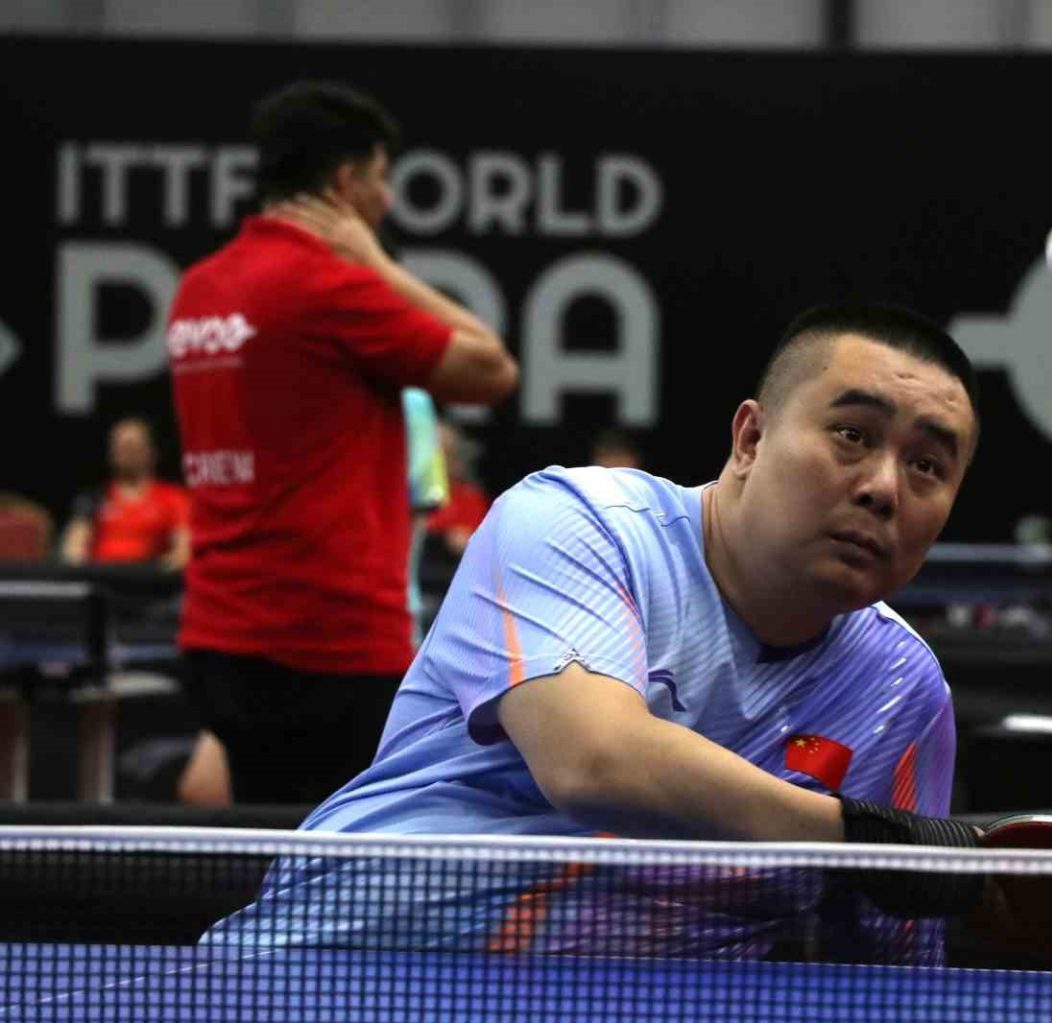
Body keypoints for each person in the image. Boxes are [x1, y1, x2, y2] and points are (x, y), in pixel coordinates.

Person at [209, 302, 985, 960]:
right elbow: (596, 761)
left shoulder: (899, 689)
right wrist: (864, 839)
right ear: (750, 439)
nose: (883, 487)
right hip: (343, 969)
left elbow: (893, 963)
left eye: (927, 465)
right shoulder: (579, 525)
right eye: (852, 435)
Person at [167, 80, 518, 804]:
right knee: (343, 860)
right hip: (326, 647)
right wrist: (379, 264)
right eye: (381, 179)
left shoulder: (199, 288)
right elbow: (492, 369)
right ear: (344, 181)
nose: (386, 201)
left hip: (216, 640)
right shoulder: (328, 286)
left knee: (262, 844)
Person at [60, 417, 189, 570]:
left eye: (130, 446)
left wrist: (154, 573)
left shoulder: (174, 498)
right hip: (100, 577)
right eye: (117, 446)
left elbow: (183, 552)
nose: (122, 452)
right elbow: (74, 549)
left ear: (152, 452)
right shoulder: (93, 497)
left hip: (150, 579)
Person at [423, 421, 491, 558]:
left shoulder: (470, 496)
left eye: (449, 454)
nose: (443, 461)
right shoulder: (404, 495)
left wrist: (467, 540)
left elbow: (483, 543)